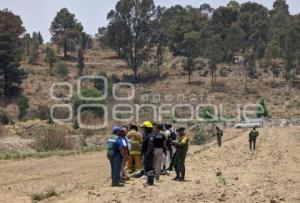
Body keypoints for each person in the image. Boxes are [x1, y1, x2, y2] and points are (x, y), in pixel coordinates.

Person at [141, 121, 155, 186]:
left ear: (147, 129)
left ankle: (150, 182)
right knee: (148, 168)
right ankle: (149, 181)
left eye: (144, 128)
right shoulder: (148, 135)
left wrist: (147, 154)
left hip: (148, 155)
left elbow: (150, 146)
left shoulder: (149, 136)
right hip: (148, 154)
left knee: (149, 168)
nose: (143, 130)